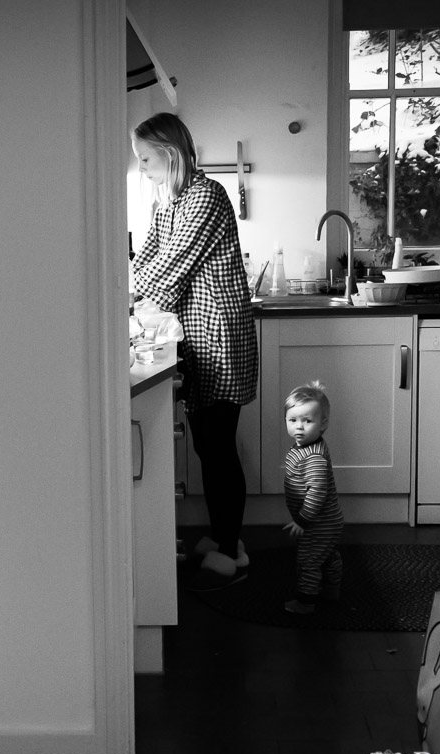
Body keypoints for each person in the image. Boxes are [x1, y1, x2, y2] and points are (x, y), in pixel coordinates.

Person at [130, 113, 257, 584]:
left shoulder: (206, 196)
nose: (141, 167)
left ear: (168, 153)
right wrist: (127, 285)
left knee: (218, 445)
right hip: (198, 336)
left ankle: (232, 549)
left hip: (218, 335)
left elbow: (172, 264)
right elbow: (148, 257)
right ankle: (226, 537)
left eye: (145, 158)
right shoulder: (171, 202)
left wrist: (125, 294)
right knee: (208, 444)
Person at [281, 381, 345, 613]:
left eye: (307, 421)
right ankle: (331, 587)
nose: (299, 427)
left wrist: (303, 519)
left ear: (323, 423)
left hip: (319, 522)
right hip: (325, 520)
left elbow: (317, 491)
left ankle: (306, 602)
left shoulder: (313, 457)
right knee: (324, 554)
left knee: (308, 560)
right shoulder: (308, 446)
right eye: (293, 420)